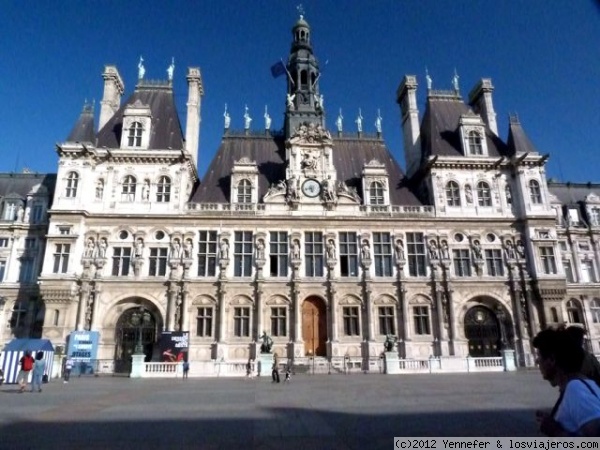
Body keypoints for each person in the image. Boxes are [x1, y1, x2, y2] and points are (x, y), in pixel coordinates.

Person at [533, 327, 600, 437]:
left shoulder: (576, 389)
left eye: (539, 356)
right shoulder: (581, 385)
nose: (537, 361)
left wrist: (556, 432)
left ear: (552, 360)